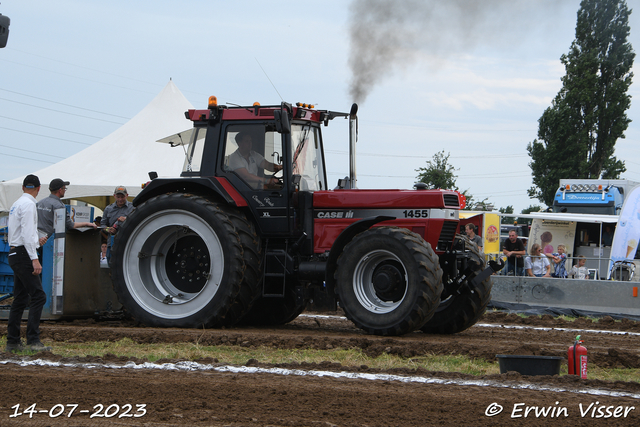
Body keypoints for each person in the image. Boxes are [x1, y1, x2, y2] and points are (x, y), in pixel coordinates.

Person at [6, 175, 51, 353]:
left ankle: (13, 341)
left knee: (20, 298)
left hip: (15, 252)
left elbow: (21, 233)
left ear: (23, 187)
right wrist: (34, 258)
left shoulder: (16, 204)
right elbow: (26, 233)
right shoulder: (30, 204)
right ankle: (33, 340)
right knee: (39, 295)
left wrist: (35, 241)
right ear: (39, 188)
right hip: (24, 254)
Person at [36, 178, 97, 245]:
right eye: (64, 189)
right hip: (50, 242)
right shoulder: (59, 206)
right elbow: (70, 225)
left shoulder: (40, 203)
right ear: (60, 190)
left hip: (38, 240)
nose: (65, 191)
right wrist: (87, 224)